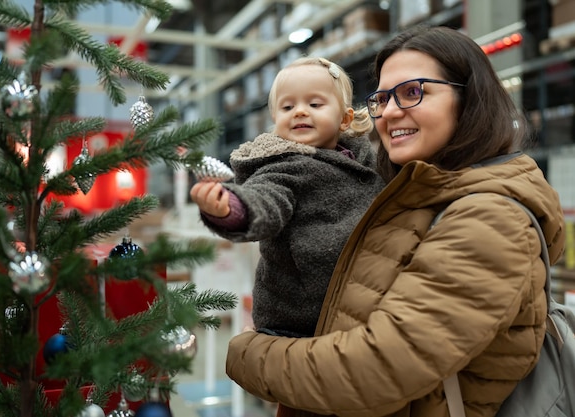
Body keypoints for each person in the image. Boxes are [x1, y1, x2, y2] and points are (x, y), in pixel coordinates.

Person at [225, 25, 566, 417]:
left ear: (468, 99)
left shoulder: (490, 218)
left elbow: (373, 371)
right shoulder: (412, 194)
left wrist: (247, 354)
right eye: (383, 98)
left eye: (412, 92)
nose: (389, 112)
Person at [190, 56, 385, 338]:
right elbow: (265, 199)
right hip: (298, 316)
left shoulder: (365, 159)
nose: (300, 112)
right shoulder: (282, 166)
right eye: (287, 106)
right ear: (275, 118)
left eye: (315, 104)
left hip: (360, 304)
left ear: (345, 119)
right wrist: (230, 207)